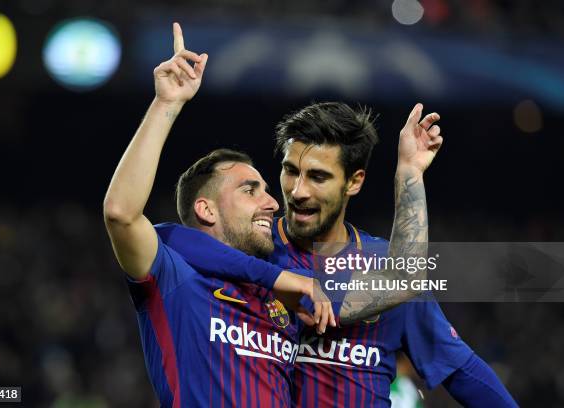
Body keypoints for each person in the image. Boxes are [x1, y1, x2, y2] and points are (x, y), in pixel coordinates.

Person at [163, 100, 518, 407]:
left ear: (354, 181)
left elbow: (461, 370)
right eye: (290, 171)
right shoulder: (252, 247)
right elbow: (170, 240)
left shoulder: (385, 265)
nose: (298, 191)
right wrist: (277, 277)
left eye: (318, 177)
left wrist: (409, 172)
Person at [103, 23, 335, 407]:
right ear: (205, 209)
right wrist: (167, 104)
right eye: (249, 190)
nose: (273, 202)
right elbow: (121, 213)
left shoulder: (281, 299)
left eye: (266, 189)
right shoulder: (174, 276)